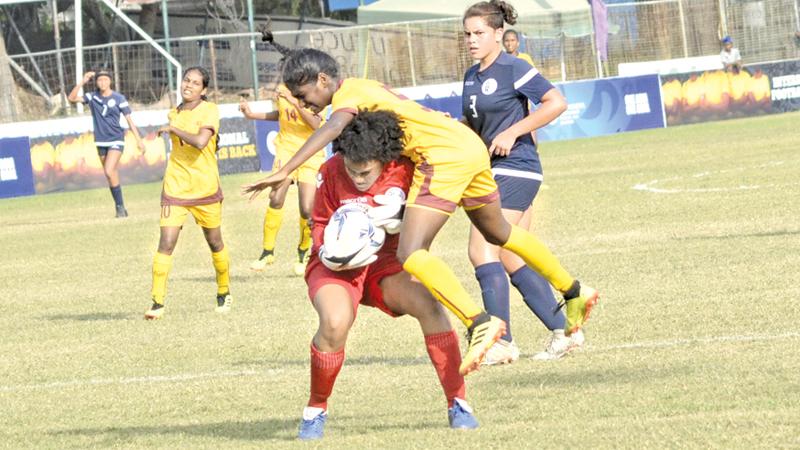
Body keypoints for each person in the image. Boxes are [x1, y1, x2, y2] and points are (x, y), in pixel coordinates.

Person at [241, 36, 598, 376]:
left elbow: (333, 128)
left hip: (443, 157)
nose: (305, 105)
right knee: (499, 232)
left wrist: (283, 171)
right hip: (469, 146)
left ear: (322, 79)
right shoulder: (364, 86)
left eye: (304, 96)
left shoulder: (349, 94)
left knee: (410, 252)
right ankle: (573, 290)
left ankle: (480, 323)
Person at [296, 110, 478, 440]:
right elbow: (319, 222)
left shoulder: (406, 169)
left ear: (383, 159)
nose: (358, 178)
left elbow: (430, 211)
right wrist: (327, 250)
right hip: (336, 266)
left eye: (365, 172)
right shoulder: (331, 170)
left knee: (430, 304)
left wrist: (402, 216)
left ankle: (459, 403)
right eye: (352, 170)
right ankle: (315, 409)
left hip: (387, 262)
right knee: (335, 322)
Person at [462, 0, 583, 364]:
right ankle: (566, 332)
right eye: (467, 34)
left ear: (499, 34)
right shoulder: (471, 76)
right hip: (491, 170)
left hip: (516, 167)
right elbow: (471, 127)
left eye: (479, 33)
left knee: (481, 250)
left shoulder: (514, 67)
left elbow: (555, 102)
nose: (472, 40)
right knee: (512, 256)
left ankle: (501, 341)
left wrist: (513, 131)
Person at [144, 66, 231, 320]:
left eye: (195, 83)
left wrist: (173, 130)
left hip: (205, 188)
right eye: (186, 80)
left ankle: (224, 291)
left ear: (203, 90)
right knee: (166, 242)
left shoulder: (210, 110)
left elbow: (201, 141)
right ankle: (157, 302)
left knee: (214, 242)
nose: (188, 85)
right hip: (175, 187)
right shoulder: (175, 112)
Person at [240, 84, 324, 276]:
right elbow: (281, 115)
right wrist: (252, 115)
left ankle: (303, 252)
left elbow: (315, 124)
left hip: (311, 152)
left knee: (307, 208)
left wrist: (295, 101)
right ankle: (267, 252)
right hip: (285, 150)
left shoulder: (316, 90)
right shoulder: (282, 88)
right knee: (276, 197)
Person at [67, 69, 145, 218]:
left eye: (105, 80)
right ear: (96, 82)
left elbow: (129, 120)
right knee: (110, 174)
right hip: (100, 140)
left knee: (109, 170)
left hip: (116, 138)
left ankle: (120, 207)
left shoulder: (119, 98)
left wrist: (139, 139)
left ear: (110, 81)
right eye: (99, 80)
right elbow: (71, 98)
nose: (103, 82)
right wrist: (83, 81)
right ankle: (120, 208)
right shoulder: (92, 97)